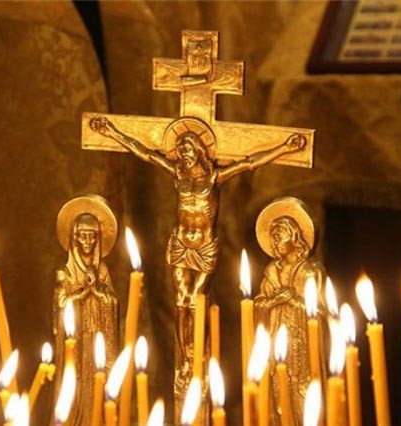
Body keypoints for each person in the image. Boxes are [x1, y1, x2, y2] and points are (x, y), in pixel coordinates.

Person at [90, 116, 306, 392]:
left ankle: (198, 354)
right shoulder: (178, 175)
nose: (184, 154)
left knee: (197, 300)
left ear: (200, 150)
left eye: (188, 149)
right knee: (181, 301)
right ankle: (186, 357)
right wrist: (112, 132)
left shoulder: (215, 177)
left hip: (204, 247)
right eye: (180, 150)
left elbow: (250, 162)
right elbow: (145, 153)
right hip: (181, 244)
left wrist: (285, 147)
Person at [254, 199, 326, 426]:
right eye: (272, 237)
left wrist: (294, 300)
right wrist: (272, 302)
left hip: (302, 348)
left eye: (279, 236)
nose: (275, 242)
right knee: (277, 394)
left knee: (303, 395)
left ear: (294, 237)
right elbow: (258, 304)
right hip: (276, 342)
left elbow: (321, 313)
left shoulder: (309, 272)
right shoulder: (271, 273)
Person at [53, 197, 118, 426]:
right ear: (74, 238)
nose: (88, 241)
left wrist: (99, 292)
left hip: (97, 337)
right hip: (76, 342)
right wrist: (82, 293)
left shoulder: (102, 271)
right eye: (83, 236)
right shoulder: (66, 274)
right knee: (77, 387)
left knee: (98, 382)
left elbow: (112, 302)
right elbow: (60, 306)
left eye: (92, 236)